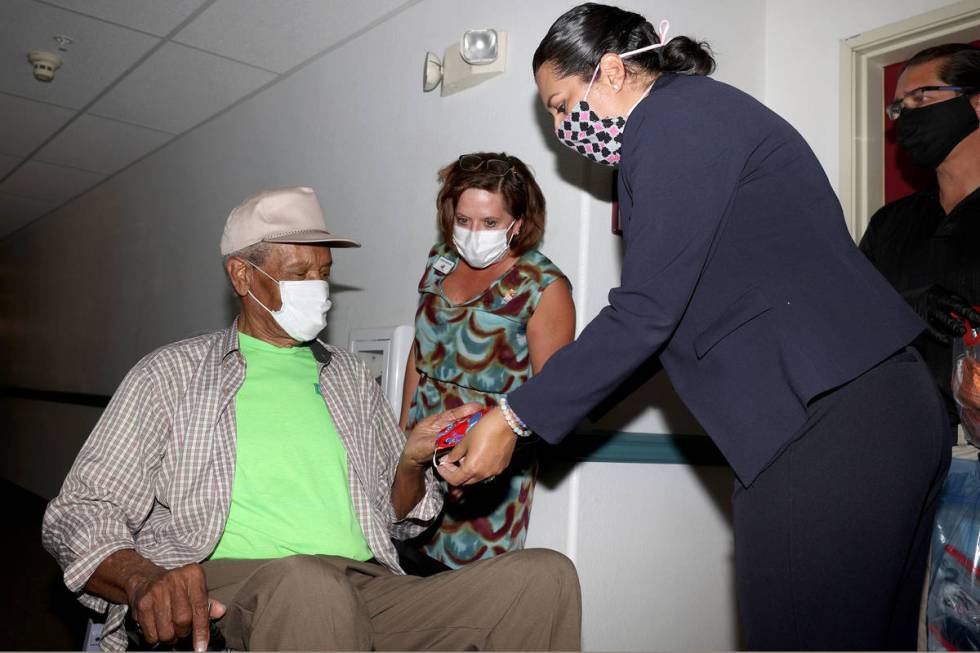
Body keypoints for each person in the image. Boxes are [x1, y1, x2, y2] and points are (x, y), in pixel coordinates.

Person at [437, 4, 951, 650]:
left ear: (614, 73)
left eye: (565, 105)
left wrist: (513, 417)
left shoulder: (670, 123)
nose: (566, 129)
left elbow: (646, 312)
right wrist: (532, 420)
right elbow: (667, 322)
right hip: (881, 413)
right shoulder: (698, 121)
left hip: (824, 420)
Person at [42, 186, 582, 652]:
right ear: (241, 276)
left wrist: (413, 463)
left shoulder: (349, 379)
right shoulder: (171, 373)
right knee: (308, 585)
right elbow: (79, 511)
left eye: (323, 274)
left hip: (366, 582)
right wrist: (142, 578)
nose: (317, 288)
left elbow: (395, 517)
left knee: (544, 577)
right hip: (232, 586)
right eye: (298, 273)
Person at [398, 152, 575, 568]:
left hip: (488, 466)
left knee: (466, 596)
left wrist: (497, 440)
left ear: (519, 221)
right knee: (402, 565)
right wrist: (403, 431)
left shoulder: (542, 287)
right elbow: (420, 352)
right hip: (422, 452)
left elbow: (553, 395)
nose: (474, 233)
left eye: (491, 223)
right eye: (464, 220)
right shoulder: (438, 263)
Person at [859, 44, 980, 434]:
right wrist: (907, 307)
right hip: (907, 446)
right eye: (899, 107)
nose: (905, 116)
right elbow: (848, 322)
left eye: (921, 97)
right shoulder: (890, 224)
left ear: (976, 105)